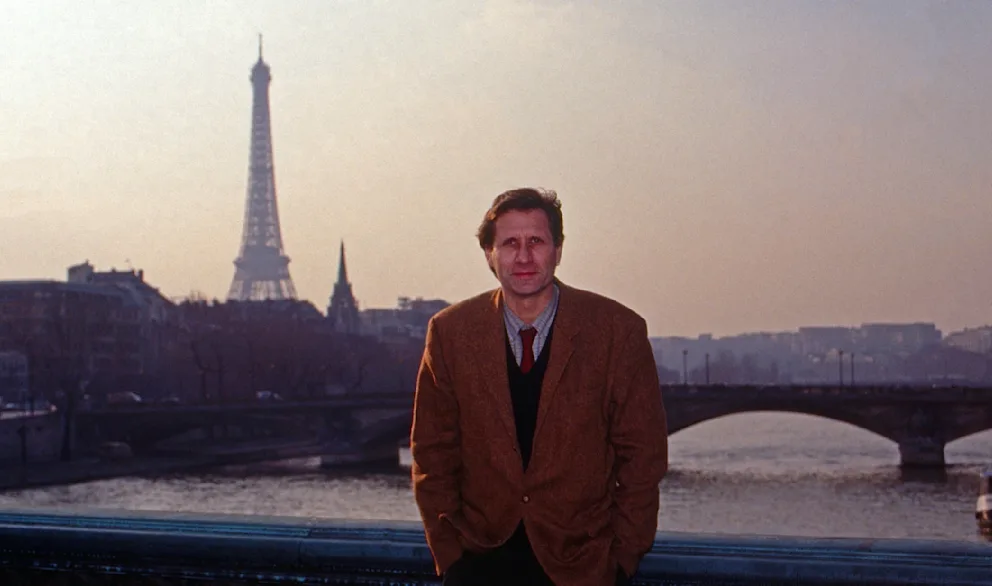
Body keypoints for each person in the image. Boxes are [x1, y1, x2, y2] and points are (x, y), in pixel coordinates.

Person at [410, 187, 668, 586]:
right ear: (489, 255)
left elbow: (643, 455)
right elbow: (432, 452)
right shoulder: (450, 333)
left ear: (558, 250)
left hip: (585, 566)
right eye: (510, 243)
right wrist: (450, 555)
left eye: (536, 242)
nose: (525, 256)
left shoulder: (617, 331)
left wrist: (621, 557)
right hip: (478, 564)